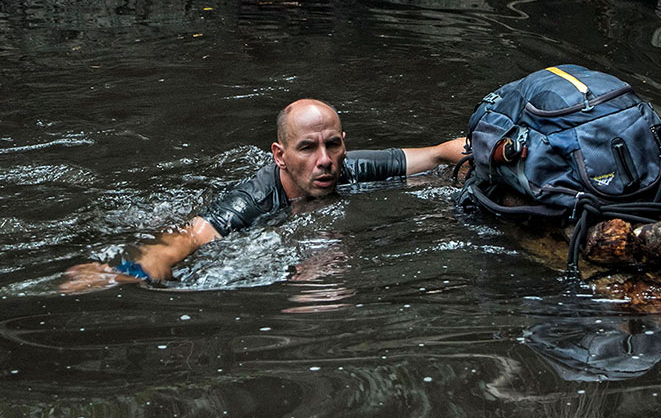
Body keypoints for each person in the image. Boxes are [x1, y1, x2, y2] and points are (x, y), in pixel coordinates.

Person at [61, 99, 466, 293]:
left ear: (344, 144)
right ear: (281, 155)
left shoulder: (349, 167)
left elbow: (437, 153)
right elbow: (183, 240)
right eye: (307, 148)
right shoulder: (251, 201)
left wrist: (498, 147)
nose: (324, 161)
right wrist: (124, 272)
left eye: (333, 146)